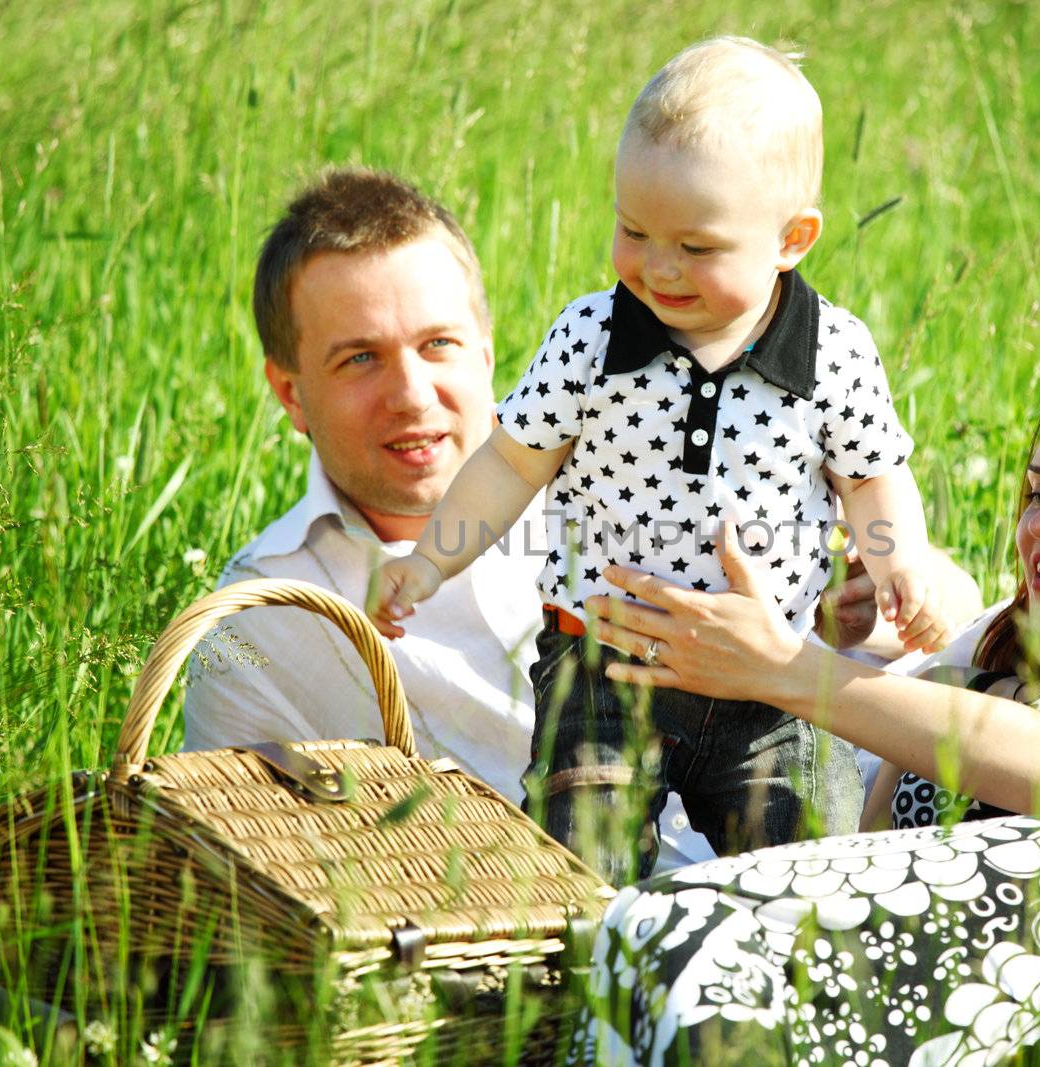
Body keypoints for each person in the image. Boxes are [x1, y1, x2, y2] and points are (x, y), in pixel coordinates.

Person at [369, 37, 979, 883]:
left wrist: (896, 558)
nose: (657, 267)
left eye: (696, 247)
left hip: (767, 671)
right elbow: (511, 462)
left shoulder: (832, 352)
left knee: (805, 866)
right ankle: (589, 998)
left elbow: (872, 477)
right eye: (633, 230)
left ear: (791, 239)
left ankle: (774, 1004)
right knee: (584, 860)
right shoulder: (590, 337)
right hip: (604, 659)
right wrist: (431, 560)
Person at [574, 364, 1040, 1064]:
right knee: (645, 926)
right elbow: (854, 862)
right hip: (919, 985)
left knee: (686, 928)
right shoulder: (959, 687)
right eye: (1037, 493)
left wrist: (790, 667)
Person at [180, 168, 714, 870]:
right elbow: (242, 866)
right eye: (361, 358)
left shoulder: (630, 479)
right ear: (291, 393)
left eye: (438, 345)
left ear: (488, 350)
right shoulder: (262, 621)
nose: (410, 394)